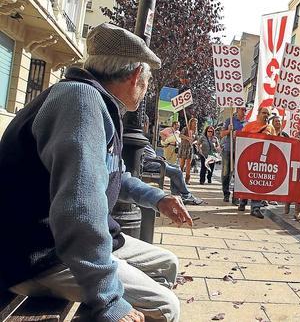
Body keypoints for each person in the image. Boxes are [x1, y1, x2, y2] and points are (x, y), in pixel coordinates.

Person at [0, 23, 191, 321]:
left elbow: (114, 174)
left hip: (64, 243)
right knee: (166, 306)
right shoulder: (81, 102)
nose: (145, 90)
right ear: (136, 76)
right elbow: (79, 209)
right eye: (147, 81)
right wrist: (108, 300)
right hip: (37, 255)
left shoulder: (93, 101)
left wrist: (158, 199)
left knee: (166, 263)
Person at [238, 107, 276, 218]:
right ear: (258, 114)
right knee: (246, 181)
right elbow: (241, 140)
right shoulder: (249, 126)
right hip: (249, 157)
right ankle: (242, 201)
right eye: (263, 113)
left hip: (263, 160)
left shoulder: (271, 128)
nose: (265, 115)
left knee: (258, 183)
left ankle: (255, 208)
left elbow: (275, 142)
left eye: (267, 114)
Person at [220, 107, 246, 204]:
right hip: (228, 150)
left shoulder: (247, 123)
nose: (244, 111)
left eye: (245, 109)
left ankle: (236, 196)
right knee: (226, 173)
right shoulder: (229, 120)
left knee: (239, 175)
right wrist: (229, 131)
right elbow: (222, 134)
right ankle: (226, 193)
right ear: (237, 110)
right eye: (242, 109)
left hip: (241, 151)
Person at [179, 117, 198, 183]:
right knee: (182, 163)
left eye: (196, 123)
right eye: (194, 123)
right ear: (191, 123)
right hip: (184, 147)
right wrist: (188, 138)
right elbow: (180, 135)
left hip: (190, 148)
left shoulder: (195, 131)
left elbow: (197, 140)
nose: (195, 124)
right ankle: (179, 177)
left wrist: (193, 142)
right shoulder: (185, 128)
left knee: (188, 164)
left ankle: (187, 179)